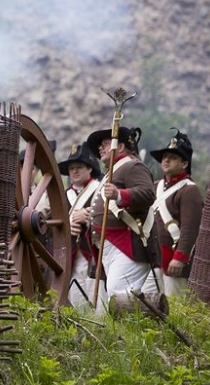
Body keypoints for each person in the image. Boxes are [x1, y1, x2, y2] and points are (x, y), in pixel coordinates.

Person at [86, 126, 160, 305]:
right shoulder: (112, 171)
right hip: (112, 246)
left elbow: (148, 194)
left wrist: (119, 195)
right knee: (113, 297)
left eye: (105, 144)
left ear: (119, 147)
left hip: (128, 244)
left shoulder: (132, 166)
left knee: (118, 295)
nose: (100, 149)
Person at [148, 129, 203, 296]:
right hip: (154, 257)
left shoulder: (189, 190)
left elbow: (190, 228)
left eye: (172, 157)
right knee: (146, 303)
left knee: (174, 308)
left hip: (174, 260)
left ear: (184, 164)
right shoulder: (156, 185)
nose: (166, 160)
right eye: (165, 157)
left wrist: (180, 257)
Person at [58, 142, 104, 309]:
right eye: (71, 168)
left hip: (95, 252)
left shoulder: (100, 190)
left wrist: (90, 217)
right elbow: (50, 224)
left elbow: (110, 216)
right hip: (71, 254)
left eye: (79, 167)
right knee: (76, 299)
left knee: (97, 298)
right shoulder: (63, 196)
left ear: (90, 168)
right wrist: (67, 224)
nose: (74, 171)